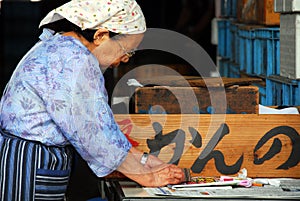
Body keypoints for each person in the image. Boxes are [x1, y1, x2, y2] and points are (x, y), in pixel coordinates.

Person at [0, 0, 185, 200]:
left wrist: (144, 160)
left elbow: (102, 128)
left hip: (33, 158)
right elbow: (94, 134)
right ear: (101, 36)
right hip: (30, 160)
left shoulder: (63, 47)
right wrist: (146, 176)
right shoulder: (74, 61)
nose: (126, 59)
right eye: (127, 50)